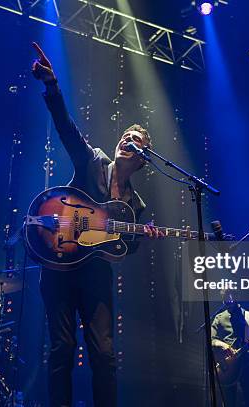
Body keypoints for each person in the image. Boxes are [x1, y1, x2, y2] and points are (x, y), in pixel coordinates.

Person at [31, 41, 163, 407]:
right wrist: (53, 87)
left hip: (95, 275)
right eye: (126, 137)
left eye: (135, 141)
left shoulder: (136, 206)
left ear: (143, 158)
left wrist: (140, 239)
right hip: (59, 263)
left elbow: (124, 249)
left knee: (104, 354)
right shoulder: (93, 163)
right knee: (61, 349)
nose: (127, 141)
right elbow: (67, 131)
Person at [211, 290, 249, 407]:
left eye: (230, 295)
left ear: (236, 296)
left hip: (247, 364)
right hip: (228, 366)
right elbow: (212, 339)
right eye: (225, 297)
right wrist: (224, 345)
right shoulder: (219, 318)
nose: (228, 299)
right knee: (228, 401)